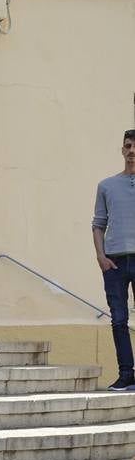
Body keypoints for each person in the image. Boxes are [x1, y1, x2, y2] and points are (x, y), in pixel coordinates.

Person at [93, 129, 135, 391]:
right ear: (122, 150)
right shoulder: (106, 185)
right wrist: (101, 256)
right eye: (128, 146)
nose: (132, 151)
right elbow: (98, 224)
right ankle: (126, 374)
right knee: (118, 320)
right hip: (115, 262)